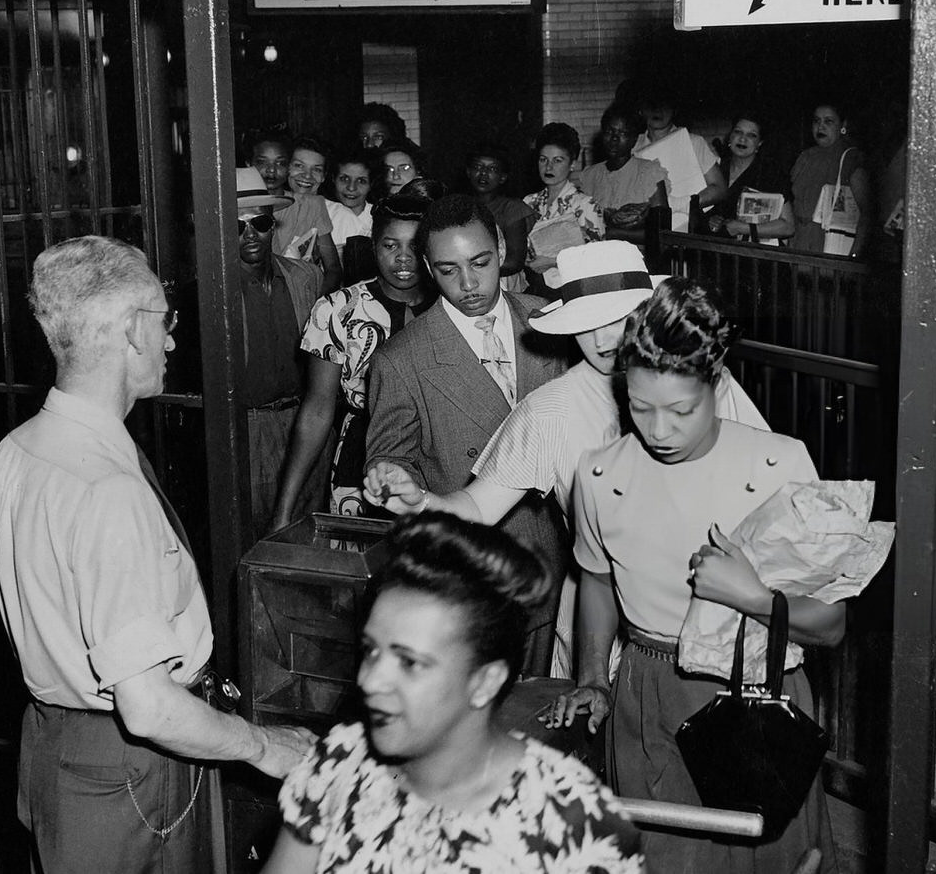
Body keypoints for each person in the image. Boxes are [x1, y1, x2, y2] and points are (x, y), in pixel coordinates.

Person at [0, 235, 315, 874]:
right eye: (166, 322)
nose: (172, 342)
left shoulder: (20, 449)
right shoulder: (107, 489)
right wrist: (263, 746)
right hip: (129, 773)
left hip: (55, 749)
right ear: (133, 330)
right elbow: (150, 705)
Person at [546, 277, 843, 873]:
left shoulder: (781, 464)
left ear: (717, 385)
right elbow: (598, 583)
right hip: (646, 695)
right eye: (639, 407)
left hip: (758, 695)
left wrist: (752, 596)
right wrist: (592, 679)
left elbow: (830, 626)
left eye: (681, 410)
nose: (659, 431)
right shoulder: (600, 474)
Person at [365, 241, 768, 678]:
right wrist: (421, 501)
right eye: (586, 324)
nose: (602, 339)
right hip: (599, 621)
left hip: (709, 607)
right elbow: (479, 506)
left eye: (618, 319)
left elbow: (767, 489)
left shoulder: (704, 383)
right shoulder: (550, 410)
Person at [261, 512, 645, 874]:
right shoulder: (339, 764)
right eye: (371, 651)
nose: (370, 681)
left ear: (485, 682)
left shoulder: (568, 819)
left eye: (409, 662)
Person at [364, 194, 569, 677]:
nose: (470, 283)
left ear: (501, 247)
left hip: (561, 568)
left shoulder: (552, 322)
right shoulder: (403, 359)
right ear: (427, 268)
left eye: (481, 262)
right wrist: (392, 477)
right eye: (449, 269)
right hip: (474, 576)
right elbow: (392, 459)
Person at [271, 193, 436, 528]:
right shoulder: (337, 309)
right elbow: (317, 411)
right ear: (372, 246)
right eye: (391, 245)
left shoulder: (449, 308)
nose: (403, 258)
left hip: (437, 462)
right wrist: (283, 512)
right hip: (358, 467)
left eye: (415, 247)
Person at [234, 172, 326, 538]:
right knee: (254, 536)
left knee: (307, 535)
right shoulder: (213, 288)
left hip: (304, 423)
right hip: (247, 427)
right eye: (237, 226)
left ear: (273, 225)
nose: (250, 234)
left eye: (259, 222)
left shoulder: (305, 277)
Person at [630, 82, 727, 231]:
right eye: (651, 104)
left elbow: (719, 188)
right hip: (649, 231)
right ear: (640, 110)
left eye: (664, 104)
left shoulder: (694, 142)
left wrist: (683, 204)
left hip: (691, 230)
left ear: (674, 109)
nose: (657, 110)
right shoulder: (632, 147)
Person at [789, 102, 874, 257]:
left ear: (842, 125)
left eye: (828, 122)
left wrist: (854, 255)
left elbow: (867, 213)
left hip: (832, 249)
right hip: (799, 247)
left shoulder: (851, 159)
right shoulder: (805, 157)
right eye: (816, 121)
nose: (821, 127)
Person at [575, 103, 668, 243]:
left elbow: (662, 231)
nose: (614, 138)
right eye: (609, 132)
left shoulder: (649, 172)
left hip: (637, 258)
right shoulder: (589, 176)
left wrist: (613, 233)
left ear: (634, 139)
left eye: (623, 133)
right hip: (597, 256)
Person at [522, 122, 603, 276]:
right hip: (534, 285)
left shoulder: (585, 205)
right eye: (543, 159)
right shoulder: (528, 203)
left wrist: (553, 262)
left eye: (557, 160)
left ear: (572, 164)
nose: (548, 167)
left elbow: (596, 258)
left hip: (574, 286)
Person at [706, 113, 796, 244]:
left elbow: (788, 227)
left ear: (759, 143)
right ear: (730, 137)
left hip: (756, 258)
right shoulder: (715, 169)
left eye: (751, 135)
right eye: (738, 132)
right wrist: (711, 220)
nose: (743, 139)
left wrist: (743, 228)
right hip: (717, 254)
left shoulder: (771, 174)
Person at [274, 135, 343, 294]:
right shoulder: (263, 203)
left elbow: (333, 268)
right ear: (286, 167)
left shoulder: (315, 206)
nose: (307, 175)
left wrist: (314, 303)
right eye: (299, 165)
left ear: (324, 176)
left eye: (317, 169)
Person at [462, 142, 532, 288]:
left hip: (503, 284)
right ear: (468, 172)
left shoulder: (512, 209)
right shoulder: (459, 206)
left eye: (492, 169)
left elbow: (514, 262)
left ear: (502, 177)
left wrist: (468, 269)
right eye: (478, 167)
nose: (483, 173)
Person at [326, 148, 378, 284]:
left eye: (361, 181)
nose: (351, 188)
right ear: (333, 179)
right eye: (344, 179)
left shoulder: (379, 217)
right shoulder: (324, 213)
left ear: (371, 184)